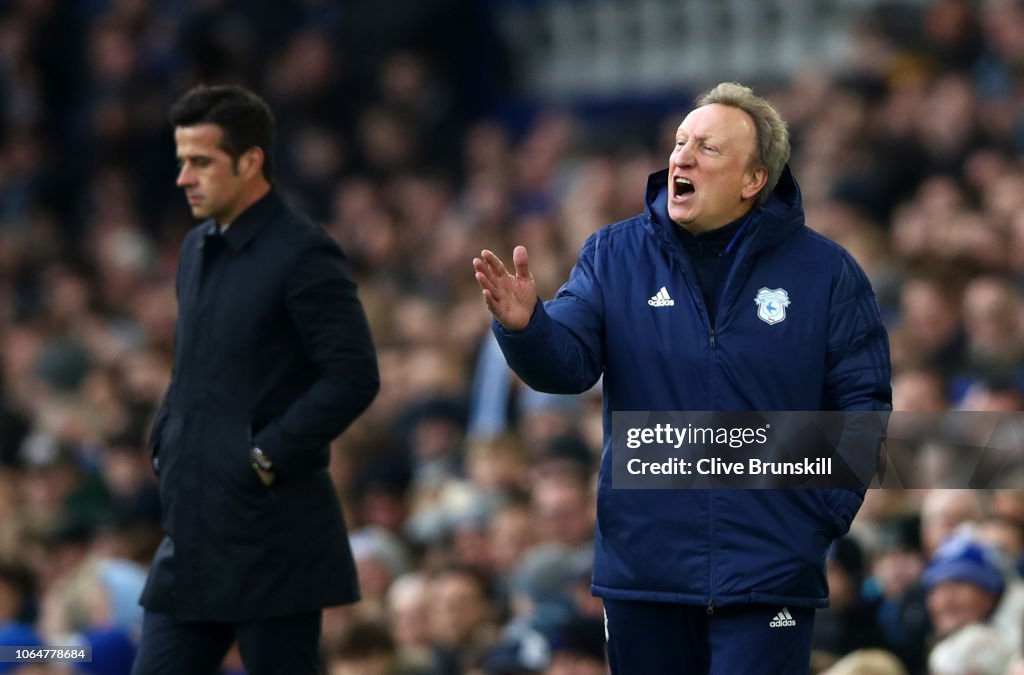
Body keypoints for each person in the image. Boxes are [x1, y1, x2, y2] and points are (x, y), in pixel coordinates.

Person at [473, 82, 891, 673]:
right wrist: (527, 328)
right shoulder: (612, 255)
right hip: (646, 572)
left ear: (753, 180)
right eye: (679, 143)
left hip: (771, 573)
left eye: (708, 149)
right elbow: (567, 364)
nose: (681, 158)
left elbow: (862, 405)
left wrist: (817, 518)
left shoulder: (826, 272)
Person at [132, 85, 380, 675]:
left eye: (200, 162)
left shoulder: (303, 252)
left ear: (251, 161)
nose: (183, 178)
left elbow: (354, 374)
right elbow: (195, 369)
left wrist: (265, 454)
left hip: (273, 541)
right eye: (180, 162)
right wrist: (168, 437)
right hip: (192, 537)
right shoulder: (195, 247)